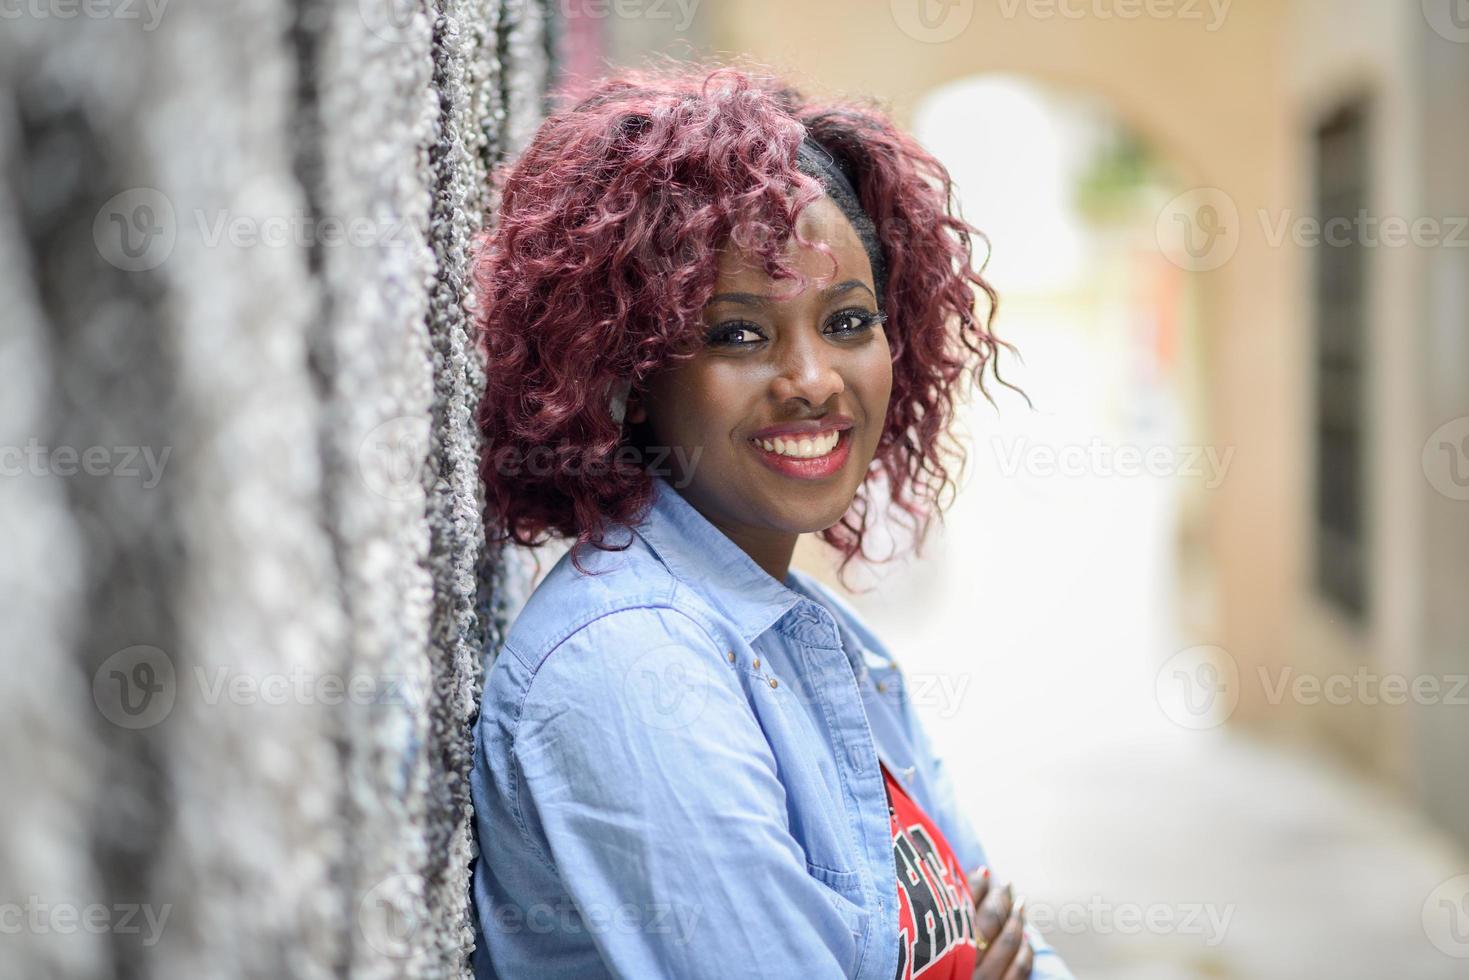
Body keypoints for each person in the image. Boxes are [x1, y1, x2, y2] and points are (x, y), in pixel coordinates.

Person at [467, 59, 1074, 980]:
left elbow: (1030, 960)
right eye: (738, 333)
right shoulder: (632, 667)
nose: (812, 381)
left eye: (846, 321)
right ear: (630, 375)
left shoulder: (821, 638)